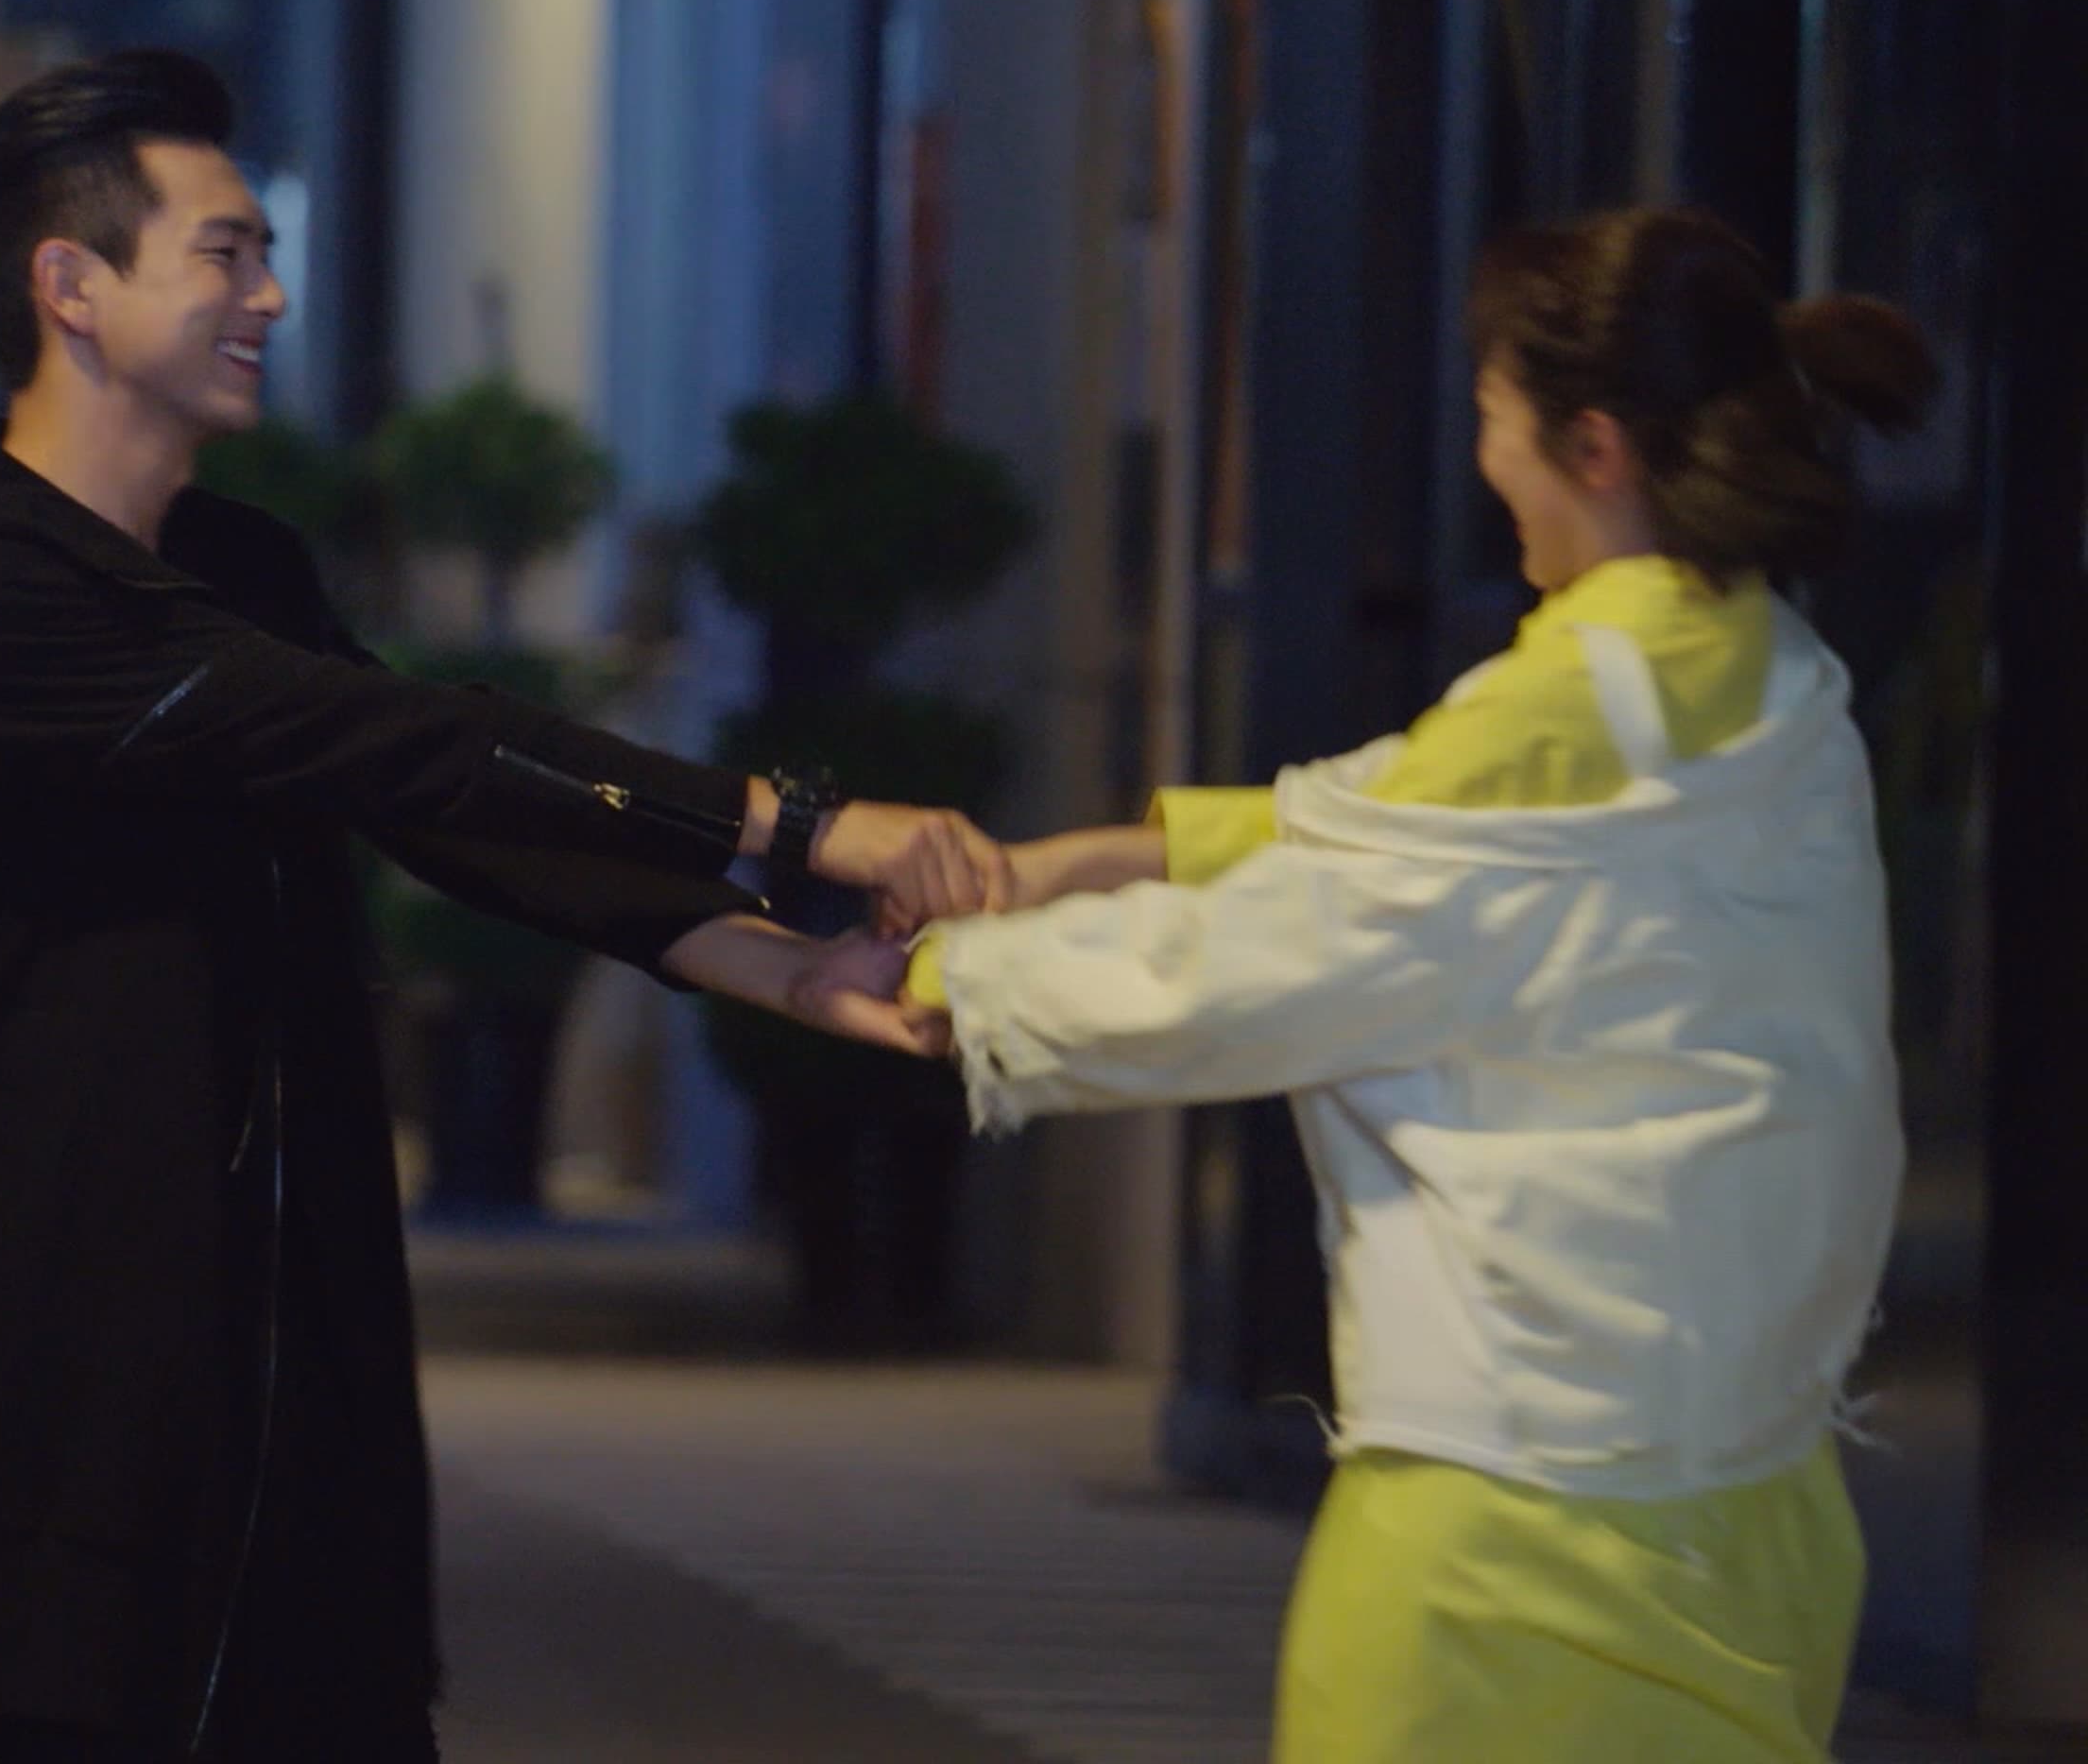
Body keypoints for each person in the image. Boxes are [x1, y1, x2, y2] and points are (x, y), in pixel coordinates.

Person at [0, 49, 990, 1763]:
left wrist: (778, 968)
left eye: (265, 255)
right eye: (223, 253)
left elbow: (441, 812)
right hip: (44, 1390)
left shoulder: (241, 571)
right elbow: (409, 740)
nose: (268, 297)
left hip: (272, 1356)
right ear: (71, 286)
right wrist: (798, 823)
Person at [806, 206, 1934, 1760]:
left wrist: (949, 967)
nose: (1484, 459)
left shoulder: (1567, 711)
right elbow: (1400, 825)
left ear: (1594, 446)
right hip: (1757, 1495)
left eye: (1492, 416)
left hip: (1517, 1517)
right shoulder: (1771, 678)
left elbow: (1278, 955)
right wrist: (1081, 860)